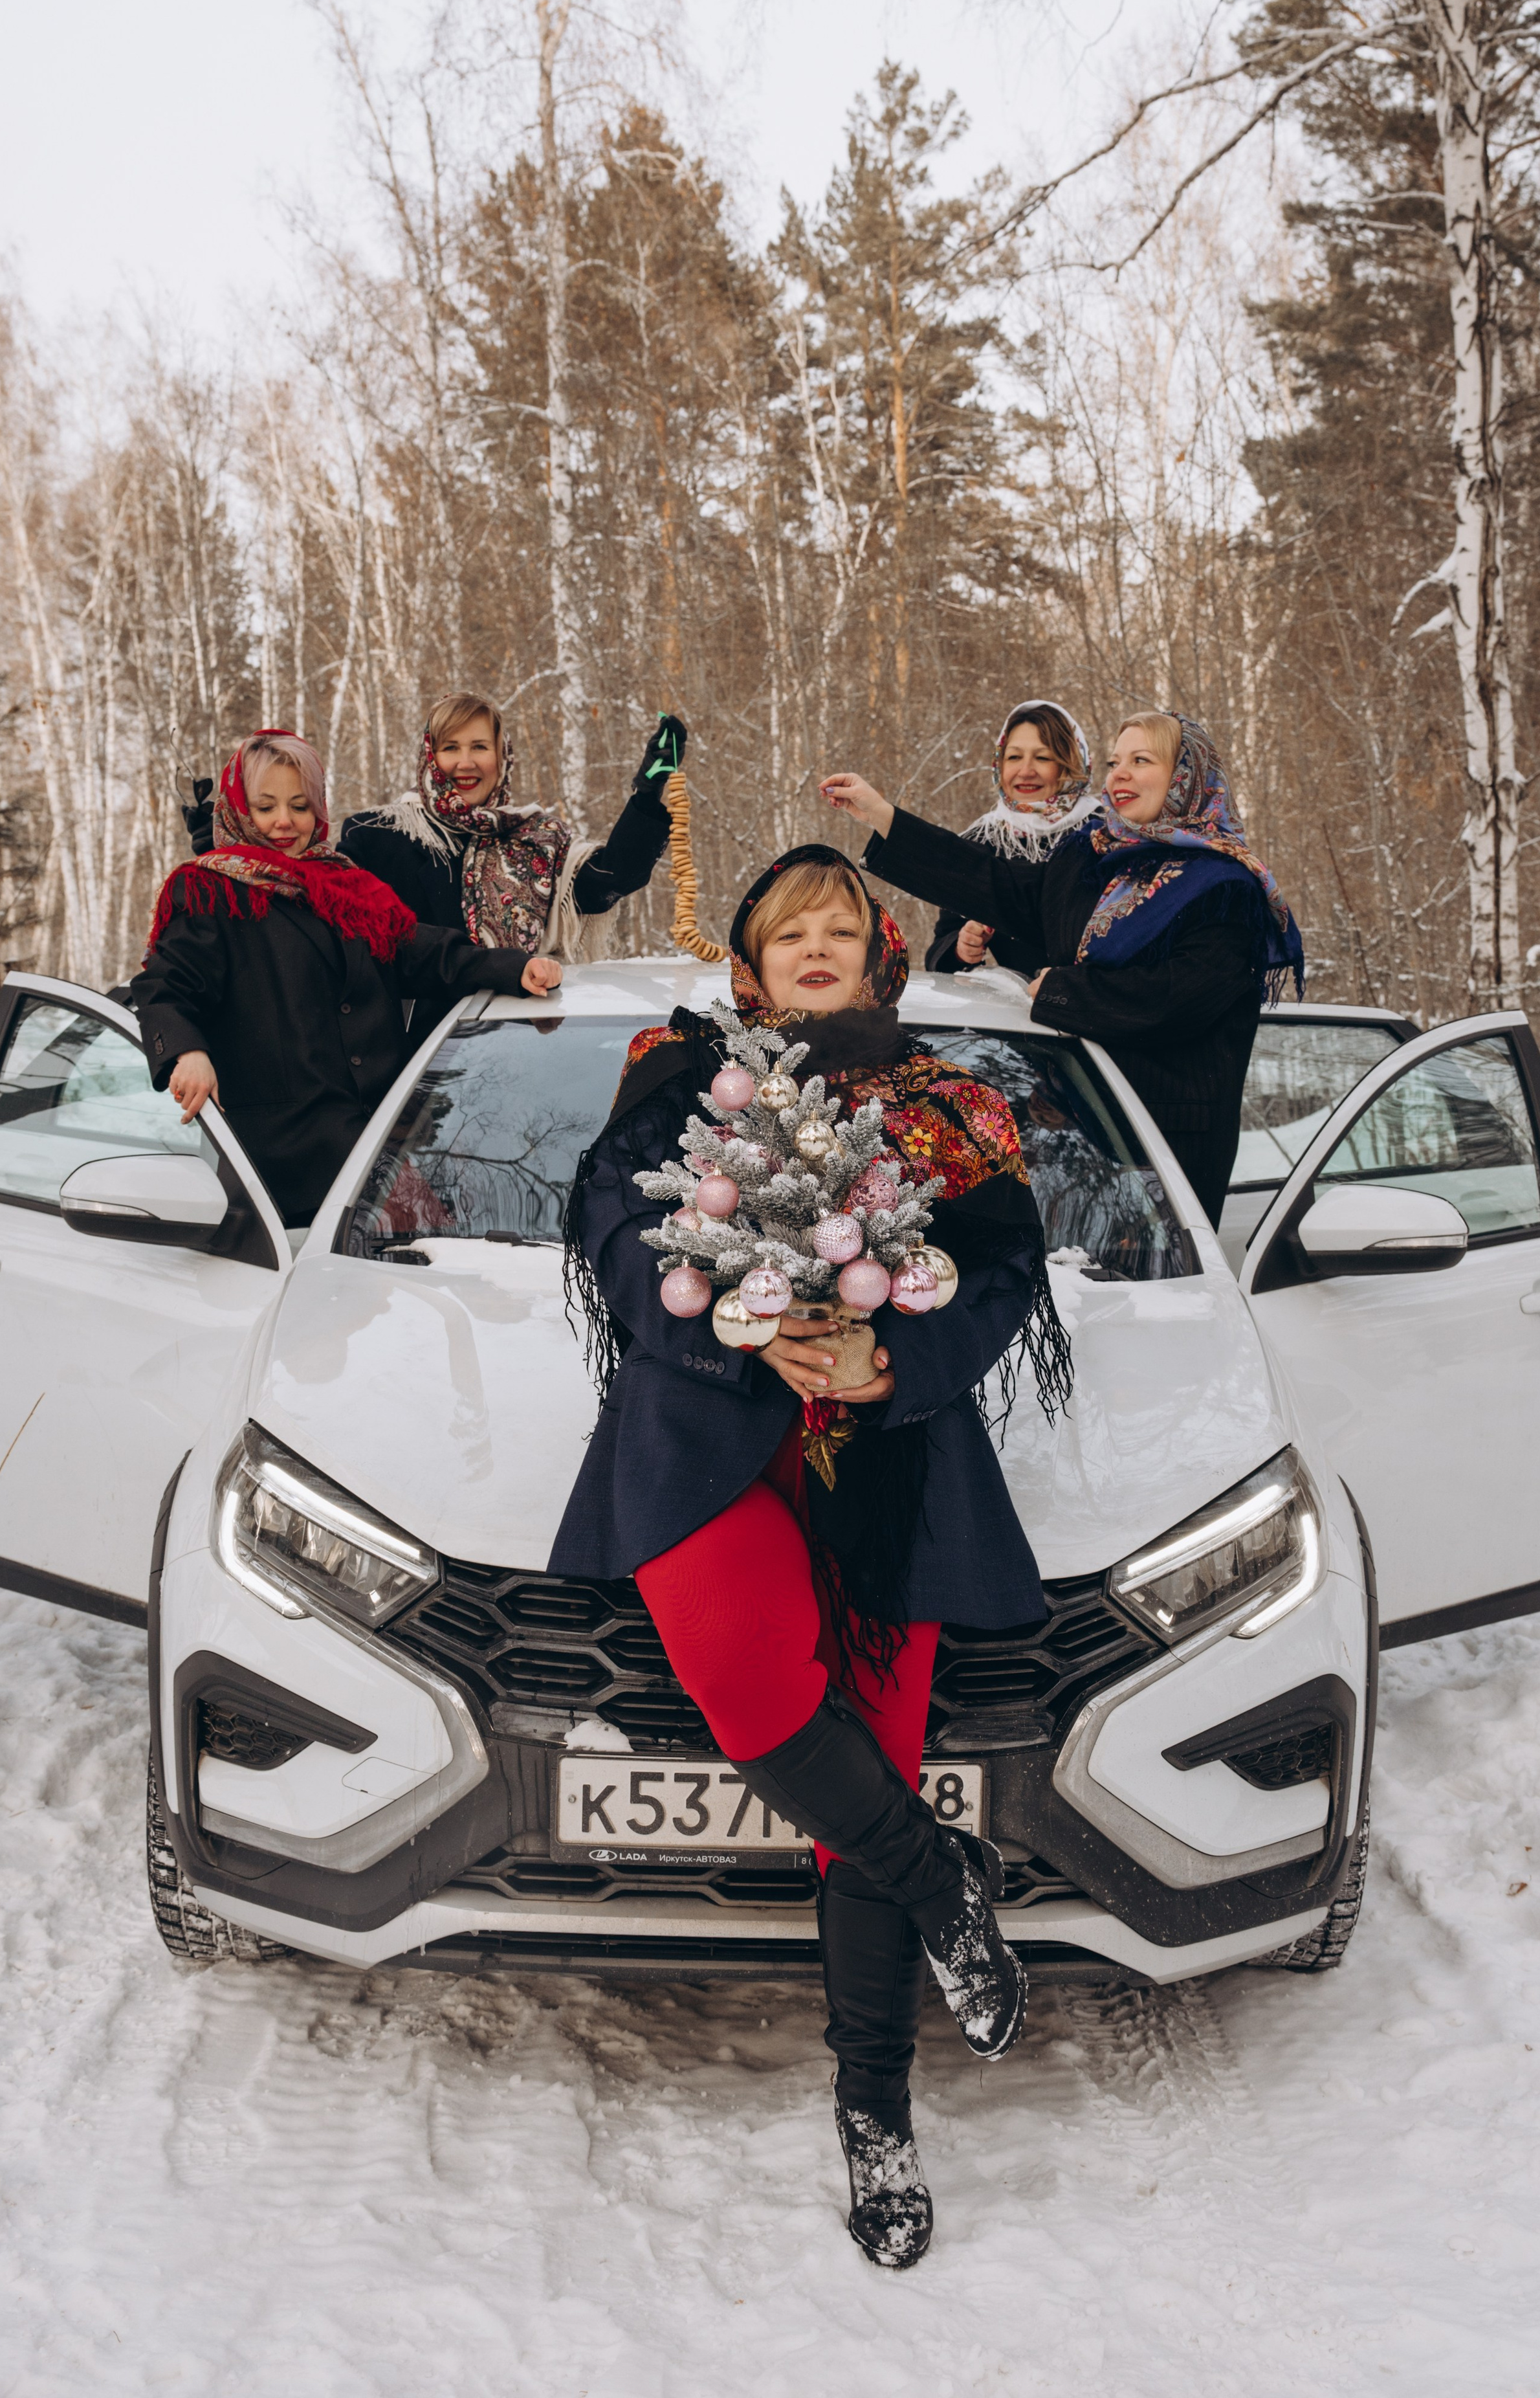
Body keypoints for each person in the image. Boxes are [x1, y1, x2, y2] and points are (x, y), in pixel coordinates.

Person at [550, 842, 1073, 2270]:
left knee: (874, 1767)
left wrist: (883, 1358)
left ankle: (875, 2117)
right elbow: (609, 1232)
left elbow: (1004, 1268)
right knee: (756, 1695)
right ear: (749, 960)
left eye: (846, 924)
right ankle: (944, 1878)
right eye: (793, 929)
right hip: (703, 1444)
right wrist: (721, 1324)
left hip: (884, 1460)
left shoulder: (944, 1098)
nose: (821, 944)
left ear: (879, 953)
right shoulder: (678, 1073)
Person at [821, 711, 1304, 1228]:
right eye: (1116, 762)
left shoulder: (1225, 888)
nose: (1119, 774)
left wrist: (1062, 991)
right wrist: (883, 815)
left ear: (1185, 776)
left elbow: (1176, 1000)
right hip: (1068, 1137)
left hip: (1161, 1146)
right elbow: (992, 881)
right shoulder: (1092, 861)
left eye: (1141, 761)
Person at [133, 729, 553, 1230]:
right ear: (240, 811)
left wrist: (512, 968)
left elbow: (419, 951)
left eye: (300, 806)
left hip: (381, 1140)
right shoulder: (210, 892)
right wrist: (187, 1052)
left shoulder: (345, 886)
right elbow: (164, 986)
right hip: (286, 1168)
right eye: (266, 807)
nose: (285, 822)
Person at [337, 694, 679, 1030]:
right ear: (430, 755)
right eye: (451, 747)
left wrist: (649, 788)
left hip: (524, 1043)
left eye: (480, 747)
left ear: (503, 757)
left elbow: (612, 878)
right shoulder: (380, 835)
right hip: (423, 1059)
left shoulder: (538, 839)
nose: (466, 762)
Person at [925, 698, 1095, 977]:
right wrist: (962, 948)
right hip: (1020, 1014)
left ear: (1069, 763)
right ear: (999, 764)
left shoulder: (1103, 832)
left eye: (1042, 758)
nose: (1025, 771)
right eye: (1014, 757)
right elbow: (939, 951)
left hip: (1099, 1007)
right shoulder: (982, 841)